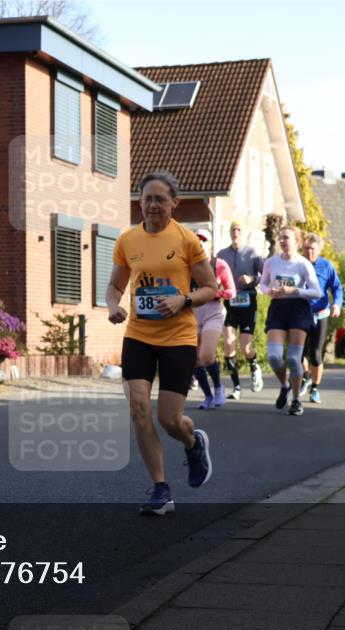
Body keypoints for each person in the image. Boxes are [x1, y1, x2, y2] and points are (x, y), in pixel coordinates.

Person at [107, 171, 218, 515]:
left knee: (170, 419)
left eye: (159, 199)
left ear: (174, 203)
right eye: (146, 199)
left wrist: (183, 300)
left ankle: (192, 442)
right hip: (139, 336)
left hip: (178, 338)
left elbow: (211, 288)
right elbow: (115, 287)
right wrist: (113, 306)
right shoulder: (127, 240)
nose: (152, 205)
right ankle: (160, 489)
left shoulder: (186, 240)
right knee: (139, 410)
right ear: (139, 202)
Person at [257, 226, 322, 416]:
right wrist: (270, 292)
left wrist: (294, 291)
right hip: (278, 308)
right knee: (274, 357)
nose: (283, 241)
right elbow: (263, 283)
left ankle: (295, 400)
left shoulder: (303, 264)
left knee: (294, 359)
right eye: (281, 238)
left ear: (297, 242)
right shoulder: (271, 262)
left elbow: (316, 291)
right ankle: (284, 385)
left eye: (287, 238)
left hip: (298, 309)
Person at [217, 221, 265, 399]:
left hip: (248, 300)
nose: (235, 233)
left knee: (245, 347)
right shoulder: (222, 255)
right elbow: (215, 273)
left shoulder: (252, 253)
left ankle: (254, 365)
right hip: (230, 300)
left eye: (238, 230)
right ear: (229, 233)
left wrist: (251, 279)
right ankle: (236, 387)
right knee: (229, 341)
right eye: (233, 230)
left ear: (243, 233)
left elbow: (264, 275)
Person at [191, 228, 235, 409]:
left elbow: (232, 291)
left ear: (210, 244)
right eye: (196, 239)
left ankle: (218, 387)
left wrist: (214, 292)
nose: (200, 242)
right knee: (194, 359)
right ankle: (208, 396)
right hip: (192, 312)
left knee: (206, 356)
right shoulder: (186, 265)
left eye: (204, 240)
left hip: (213, 311)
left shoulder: (219, 265)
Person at [298, 233, 342, 404]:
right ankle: (306, 376)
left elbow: (337, 288)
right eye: (307, 249)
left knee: (315, 354)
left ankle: (315, 388)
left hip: (321, 313)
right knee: (299, 352)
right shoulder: (298, 264)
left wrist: (337, 304)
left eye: (313, 249)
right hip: (301, 313)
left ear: (319, 249)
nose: (309, 252)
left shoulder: (326, 266)